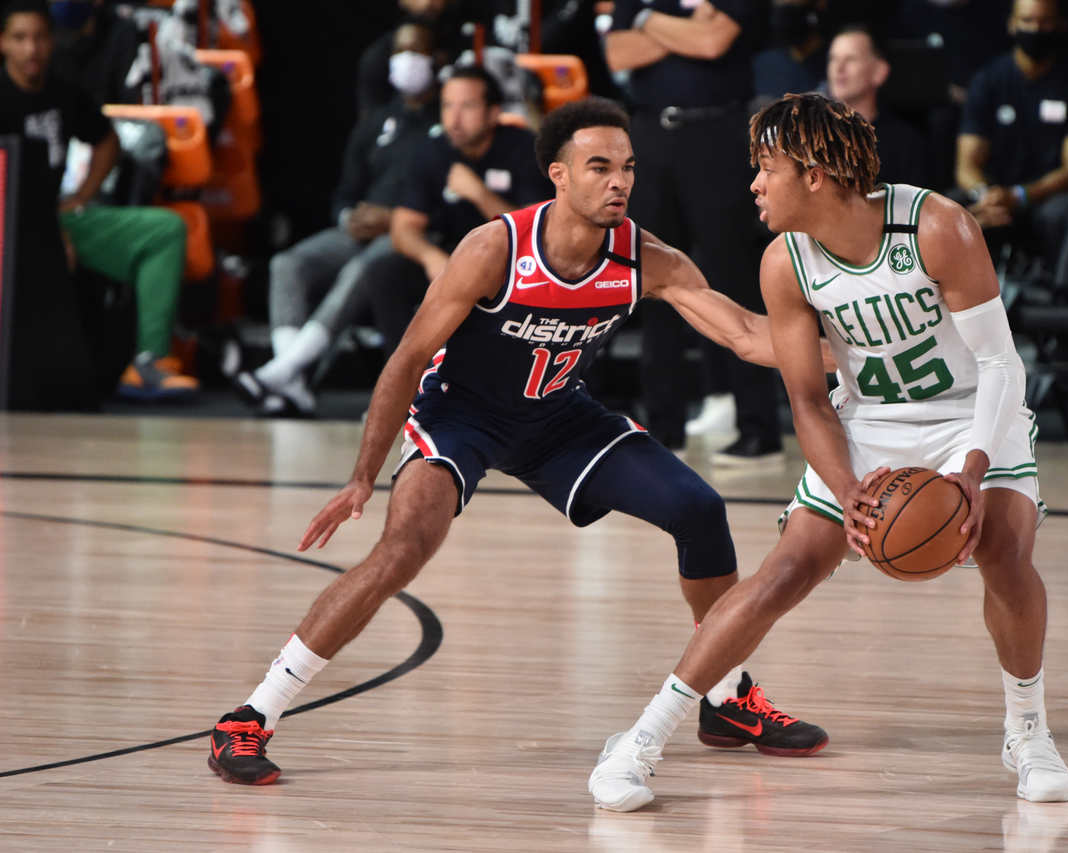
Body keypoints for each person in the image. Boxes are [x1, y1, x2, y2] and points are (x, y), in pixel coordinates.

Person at [207, 97, 828, 786]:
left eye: (626, 167)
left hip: (560, 417)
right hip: (461, 415)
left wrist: (852, 355)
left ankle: (725, 695)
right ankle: (251, 715)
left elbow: (745, 333)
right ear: (557, 175)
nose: (618, 181)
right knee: (402, 550)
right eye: (599, 167)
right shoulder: (496, 248)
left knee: (700, 509)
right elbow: (408, 358)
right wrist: (362, 476)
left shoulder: (647, 259)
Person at [589, 93, 1068, 812]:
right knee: (784, 571)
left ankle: (1028, 733)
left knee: (1004, 550)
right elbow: (810, 401)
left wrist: (972, 468)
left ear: (814, 174)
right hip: (868, 422)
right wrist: (849, 490)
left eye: (766, 168)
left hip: (969, 416)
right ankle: (640, 740)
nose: (754, 184)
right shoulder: (785, 263)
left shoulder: (936, 227)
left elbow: (1003, 366)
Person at [606, 0, 784, 464]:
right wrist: (682, 28)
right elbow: (618, 54)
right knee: (651, 275)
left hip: (717, 132)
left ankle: (758, 427)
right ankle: (662, 428)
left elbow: (713, 42)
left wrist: (649, 24)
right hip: (649, 132)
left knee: (732, 275)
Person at [231, 23, 440, 416]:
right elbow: (345, 191)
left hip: (410, 231)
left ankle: (283, 372)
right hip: (362, 229)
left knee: (363, 269)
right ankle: (291, 378)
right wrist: (349, 217)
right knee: (287, 264)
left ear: (437, 59)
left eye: (417, 52)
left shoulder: (446, 121)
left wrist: (394, 217)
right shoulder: (376, 121)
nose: (407, 61)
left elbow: (446, 194)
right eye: (400, 53)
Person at [0, 0, 197, 400]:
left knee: (166, 229)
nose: (31, 49)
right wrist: (41, 236)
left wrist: (81, 197)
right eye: (20, 38)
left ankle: (149, 362)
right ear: (3, 43)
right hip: (7, 228)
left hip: (58, 220)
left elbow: (107, 142)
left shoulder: (63, 91)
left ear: (52, 41)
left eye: (39, 37)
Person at [356, 64, 552, 367]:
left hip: (511, 263)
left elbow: (538, 231)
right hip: (452, 257)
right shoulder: (434, 150)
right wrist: (431, 258)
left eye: (468, 106)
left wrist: (478, 193)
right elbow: (403, 227)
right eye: (448, 106)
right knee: (384, 272)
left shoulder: (523, 148)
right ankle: (408, 381)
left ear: (493, 112)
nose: (455, 118)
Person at [954, 0, 1068, 264]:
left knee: (1060, 213)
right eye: (1027, 21)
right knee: (951, 206)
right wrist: (987, 195)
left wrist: (1020, 196)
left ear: (1060, 25)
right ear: (1012, 25)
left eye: (1044, 21)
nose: (1035, 29)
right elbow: (966, 165)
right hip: (995, 194)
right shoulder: (988, 81)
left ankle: (1060, 293)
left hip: (1049, 196)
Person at [824, 23, 932, 188]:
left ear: (879, 72)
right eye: (833, 59)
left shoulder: (905, 143)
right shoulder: (813, 134)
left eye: (850, 59)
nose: (838, 68)